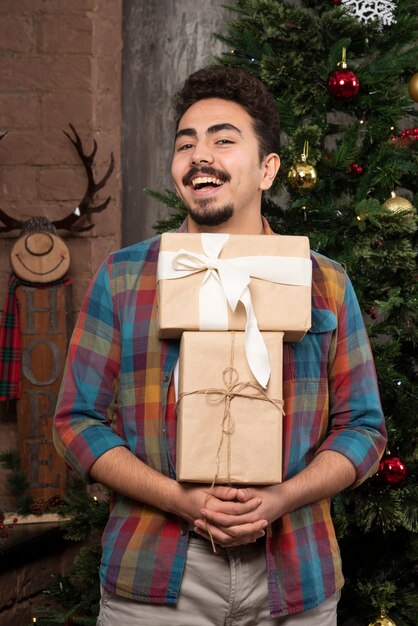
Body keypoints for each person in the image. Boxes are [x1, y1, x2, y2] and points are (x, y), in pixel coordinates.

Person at [53, 65, 387, 626]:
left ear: (267, 168)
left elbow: (365, 429)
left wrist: (283, 497)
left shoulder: (324, 281)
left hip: (294, 573)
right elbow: (75, 422)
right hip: (155, 577)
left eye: (223, 140)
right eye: (187, 143)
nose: (199, 155)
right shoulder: (124, 276)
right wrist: (177, 498)